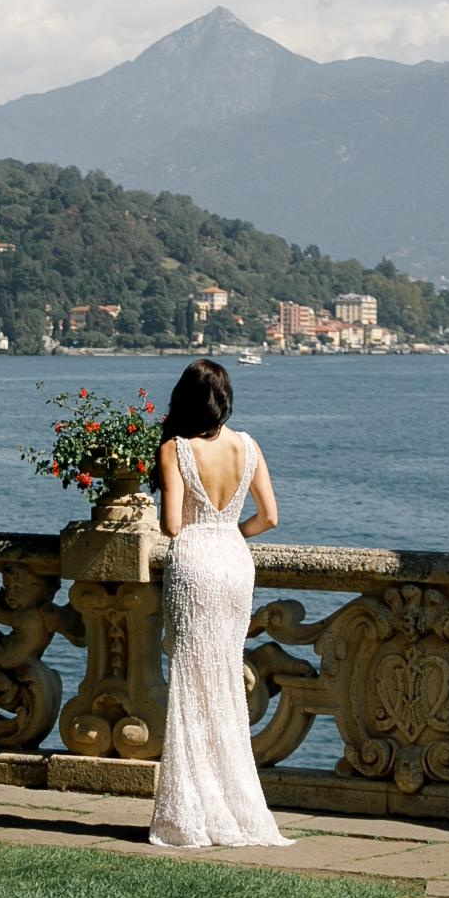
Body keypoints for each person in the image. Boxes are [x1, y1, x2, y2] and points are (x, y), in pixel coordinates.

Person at [147, 359, 291, 852]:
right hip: (233, 562)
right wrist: (230, 533)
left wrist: (203, 529)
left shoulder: (176, 448)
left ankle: (193, 813)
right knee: (225, 680)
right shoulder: (248, 445)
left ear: (184, 400)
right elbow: (269, 517)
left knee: (191, 683)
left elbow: (170, 525)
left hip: (195, 563)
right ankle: (235, 805)